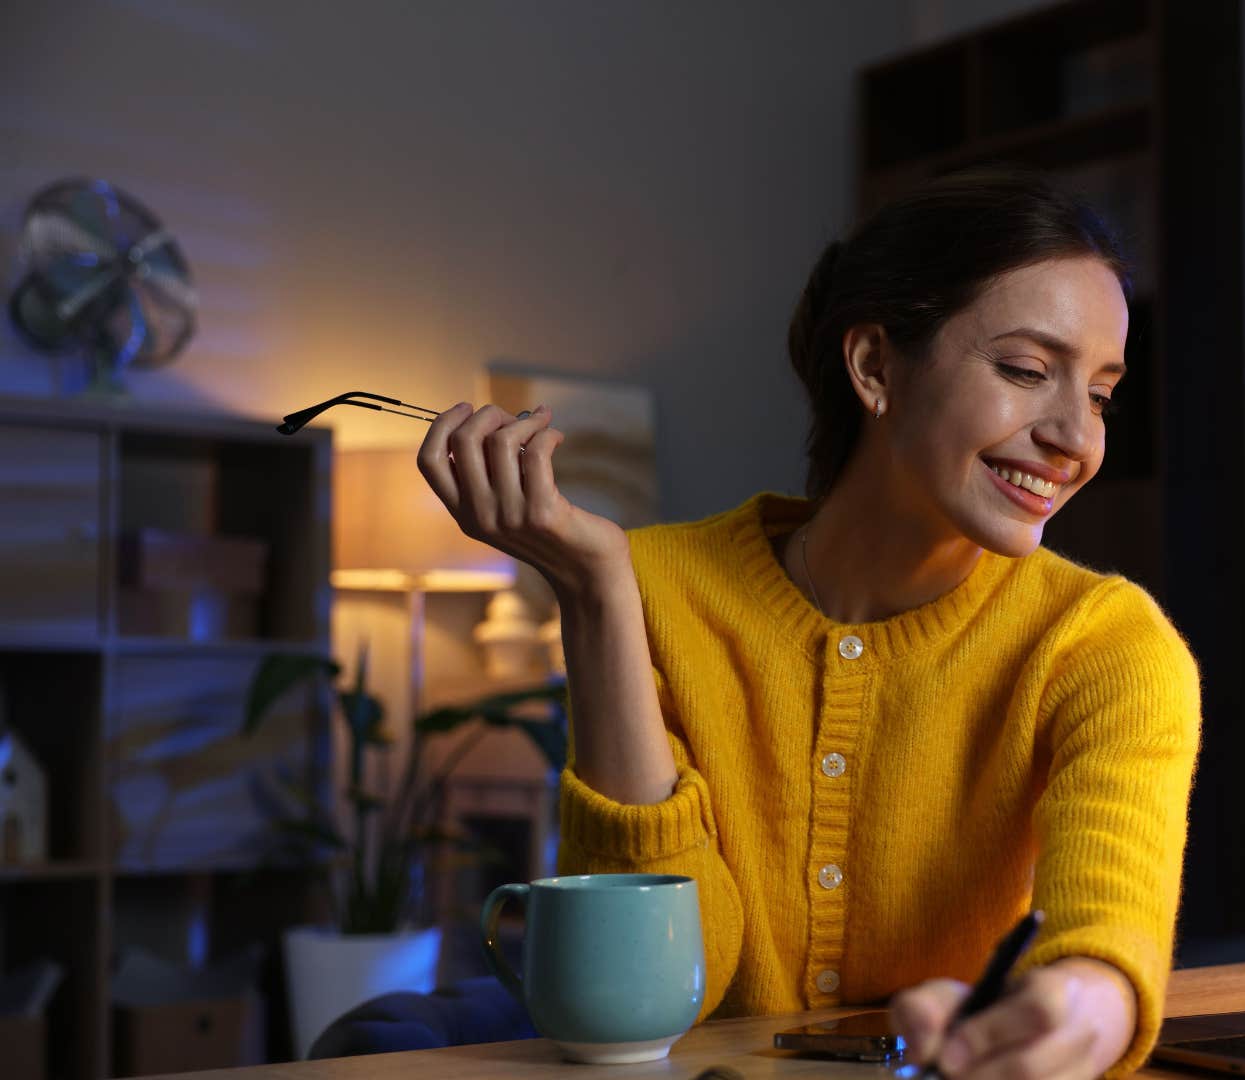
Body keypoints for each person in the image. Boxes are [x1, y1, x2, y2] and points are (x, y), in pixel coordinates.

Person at [417, 167, 1202, 1079]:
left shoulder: (1105, 645)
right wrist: (597, 597)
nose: (1077, 436)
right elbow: (664, 989)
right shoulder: (655, 586)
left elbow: (1110, 929)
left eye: (1102, 393)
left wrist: (1079, 1009)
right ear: (873, 366)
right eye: (1028, 371)